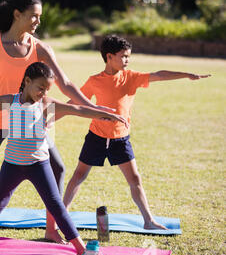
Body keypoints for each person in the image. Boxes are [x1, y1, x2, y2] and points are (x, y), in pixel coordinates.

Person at [0, 0, 114, 243]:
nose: (38, 22)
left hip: (30, 122)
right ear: (17, 14)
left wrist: (96, 108)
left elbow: (65, 83)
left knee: (57, 167)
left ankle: (51, 230)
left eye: (40, 17)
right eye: (33, 16)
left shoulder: (41, 48)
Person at [0, 62, 127, 255]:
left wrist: (104, 114)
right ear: (27, 81)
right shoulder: (10, 100)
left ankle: (80, 249)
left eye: (47, 89)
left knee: (56, 206)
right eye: (40, 88)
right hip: (12, 164)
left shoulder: (45, 104)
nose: (43, 93)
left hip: (39, 165)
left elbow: (77, 109)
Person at [63, 34, 211, 229]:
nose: (127, 60)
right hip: (96, 137)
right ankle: (61, 215)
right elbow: (74, 103)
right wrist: (49, 117)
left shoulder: (131, 77)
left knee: (135, 179)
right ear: (109, 57)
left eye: (128, 56)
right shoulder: (94, 81)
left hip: (120, 140)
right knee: (79, 175)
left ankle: (148, 220)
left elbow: (159, 75)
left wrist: (185, 74)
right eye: (123, 56)